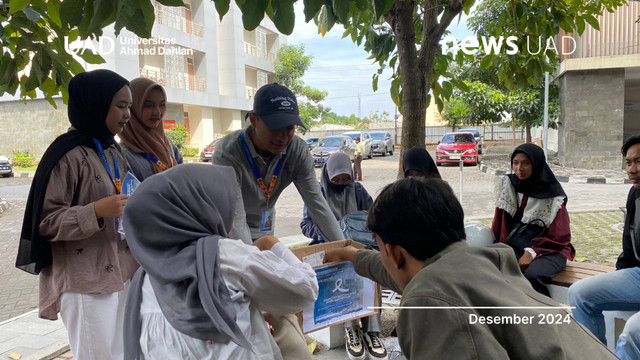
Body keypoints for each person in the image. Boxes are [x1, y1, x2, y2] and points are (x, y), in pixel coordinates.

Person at [323, 177, 617, 359]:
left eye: (380, 248)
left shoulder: (429, 301)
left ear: (395, 252)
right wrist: (353, 255)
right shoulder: (487, 263)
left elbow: (419, 286)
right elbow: (403, 272)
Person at [122, 164, 318, 360]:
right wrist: (272, 244)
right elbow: (304, 290)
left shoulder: (144, 277)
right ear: (201, 209)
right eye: (224, 203)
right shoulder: (223, 255)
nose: (231, 213)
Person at [15, 70, 139, 360]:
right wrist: (96, 210)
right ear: (96, 103)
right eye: (121, 105)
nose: (127, 115)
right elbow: (46, 222)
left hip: (121, 273)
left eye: (129, 107)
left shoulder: (111, 150)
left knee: (121, 353)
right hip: (85, 283)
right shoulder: (66, 155)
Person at [213, 83, 343, 359]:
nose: (283, 136)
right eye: (275, 128)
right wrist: (255, 276)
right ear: (253, 119)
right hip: (231, 237)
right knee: (252, 310)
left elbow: (317, 202)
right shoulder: (228, 153)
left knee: (281, 311)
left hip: (266, 232)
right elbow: (235, 219)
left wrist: (343, 245)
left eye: (290, 128)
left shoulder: (296, 150)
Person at [299, 152, 385, 360]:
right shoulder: (317, 193)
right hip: (330, 248)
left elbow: (373, 217)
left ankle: (373, 331)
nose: (340, 182)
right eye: (336, 179)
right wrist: (329, 231)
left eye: (344, 178)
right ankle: (352, 329)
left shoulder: (357, 190)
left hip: (358, 246)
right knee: (343, 275)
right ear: (328, 176)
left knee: (370, 271)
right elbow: (305, 225)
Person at [569, 135, 640, 360]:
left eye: (639, 161)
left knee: (632, 332)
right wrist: (622, 271)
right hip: (638, 275)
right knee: (578, 293)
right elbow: (629, 241)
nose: (632, 169)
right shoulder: (635, 194)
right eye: (628, 163)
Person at [491, 143, 574, 296]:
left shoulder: (553, 194)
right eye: (515, 163)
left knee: (532, 276)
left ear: (536, 164)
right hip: (517, 244)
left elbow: (560, 236)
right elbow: (499, 223)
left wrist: (532, 252)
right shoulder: (509, 186)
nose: (519, 168)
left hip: (550, 248)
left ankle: (544, 316)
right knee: (491, 269)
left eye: (526, 163)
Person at [119, 78, 182, 182]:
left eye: (162, 105)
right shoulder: (123, 155)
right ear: (133, 107)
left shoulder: (168, 146)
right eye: (149, 105)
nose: (157, 112)